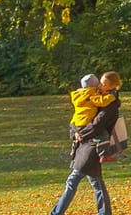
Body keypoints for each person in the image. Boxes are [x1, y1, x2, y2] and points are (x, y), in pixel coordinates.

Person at [50, 71, 123, 215]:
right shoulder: (94, 97)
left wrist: (80, 134)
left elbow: (98, 124)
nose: (100, 86)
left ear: (112, 86)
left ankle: (56, 213)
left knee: (74, 180)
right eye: (100, 83)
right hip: (85, 144)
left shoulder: (110, 103)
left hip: (94, 145)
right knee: (97, 183)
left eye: (104, 84)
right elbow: (77, 118)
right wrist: (75, 132)